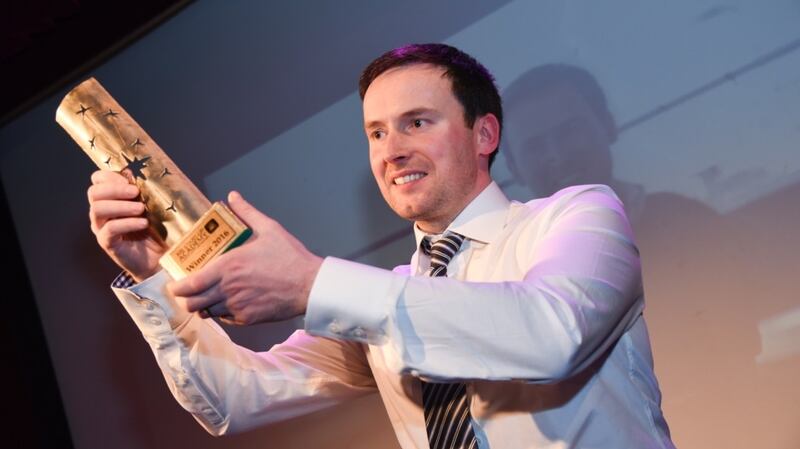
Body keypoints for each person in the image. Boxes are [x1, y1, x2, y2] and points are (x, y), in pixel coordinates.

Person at [88, 44, 674, 449]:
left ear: (485, 133)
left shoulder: (577, 216)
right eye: (376, 132)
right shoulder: (380, 301)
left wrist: (314, 283)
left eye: (417, 122)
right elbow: (238, 398)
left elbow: (553, 336)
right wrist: (154, 275)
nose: (391, 150)